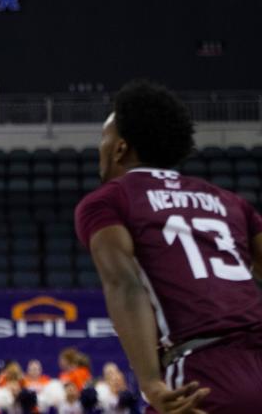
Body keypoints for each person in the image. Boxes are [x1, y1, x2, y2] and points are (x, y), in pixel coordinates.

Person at [75, 80, 262, 413]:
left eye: (103, 138)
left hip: (204, 373)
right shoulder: (230, 201)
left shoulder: (109, 200)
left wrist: (150, 384)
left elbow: (124, 283)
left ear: (119, 148)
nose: (99, 148)